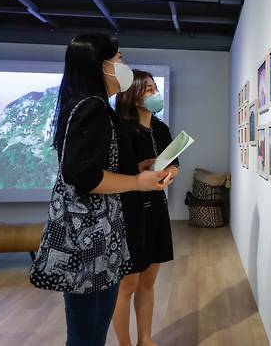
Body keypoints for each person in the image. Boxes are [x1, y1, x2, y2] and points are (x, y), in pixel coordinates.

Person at [32, 34, 174, 346]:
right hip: (89, 238)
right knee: (88, 332)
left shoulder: (91, 106)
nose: (124, 65)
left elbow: (93, 166)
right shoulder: (92, 106)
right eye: (120, 59)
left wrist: (135, 171)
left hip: (97, 234)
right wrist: (137, 182)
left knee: (91, 328)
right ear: (101, 65)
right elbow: (82, 175)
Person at [112, 70, 178, 346]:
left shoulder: (161, 128)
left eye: (154, 88)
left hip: (157, 210)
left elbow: (173, 162)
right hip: (130, 211)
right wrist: (137, 172)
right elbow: (113, 170)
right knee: (127, 284)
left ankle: (145, 339)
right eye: (149, 89)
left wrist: (171, 172)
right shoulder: (120, 129)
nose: (155, 93)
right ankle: (125, 343)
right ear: (133, 95)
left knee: (149, 280)